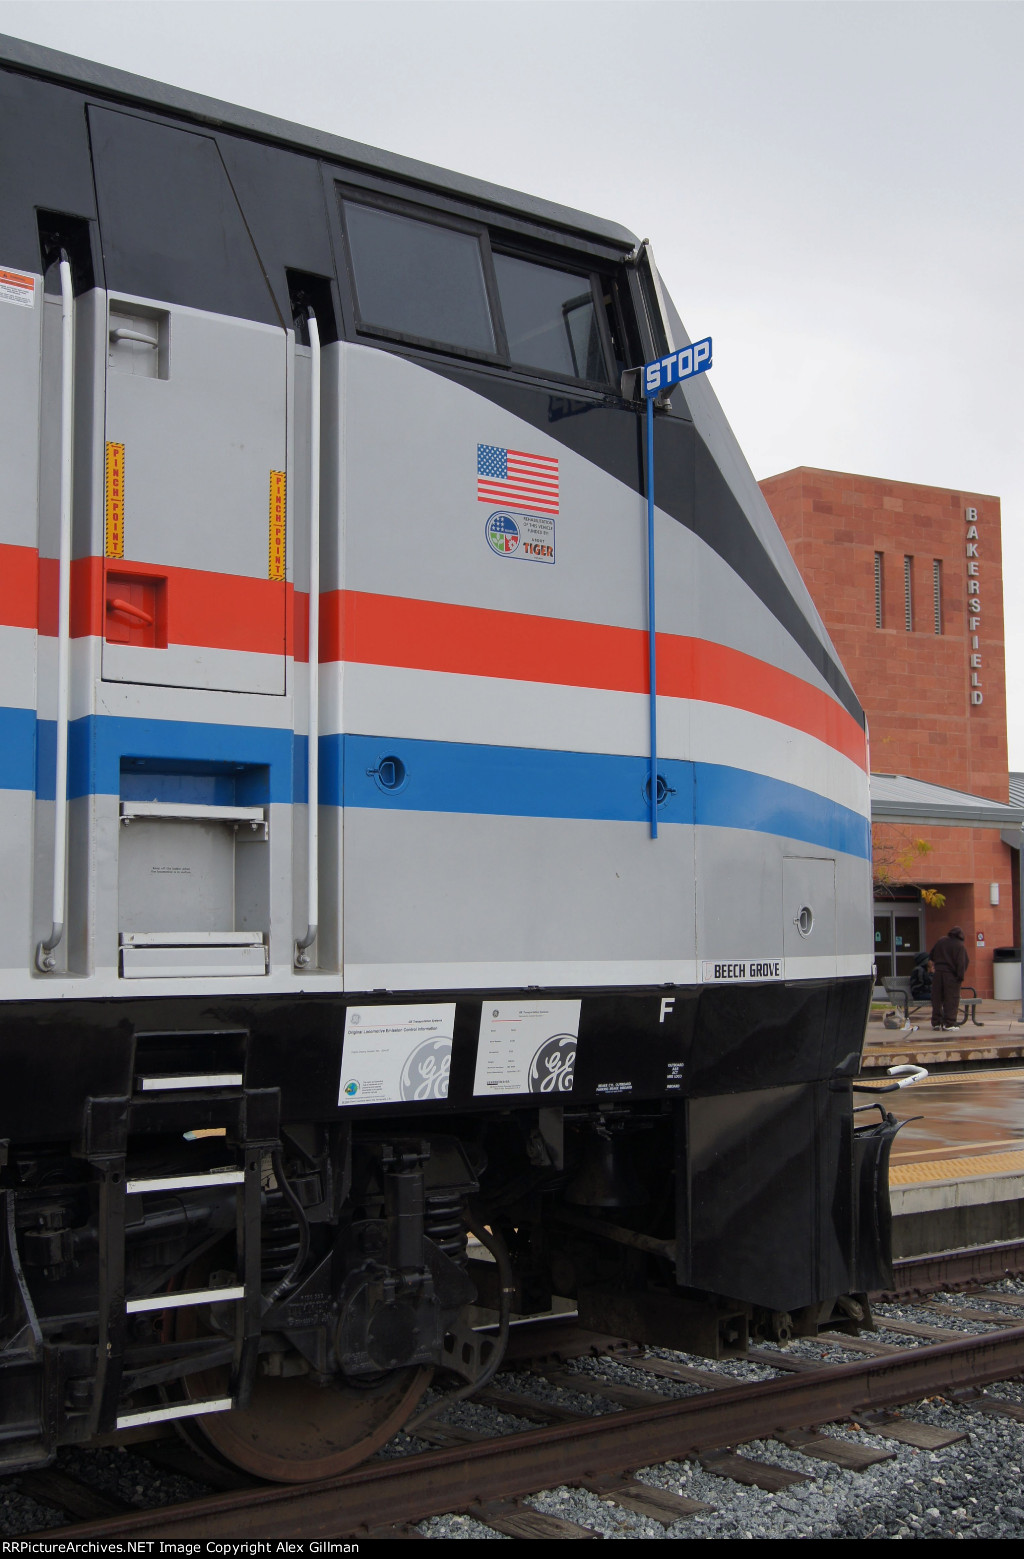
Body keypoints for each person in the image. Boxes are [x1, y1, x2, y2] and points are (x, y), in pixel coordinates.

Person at [929, 926, 969, 1031]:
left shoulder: (941, 941)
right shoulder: (959, 946)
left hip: (938, 975)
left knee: (937, 999)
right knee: (951, 999)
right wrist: (960, 977)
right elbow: (961, 963)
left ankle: (936, 1022)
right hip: (951, 976)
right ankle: (949, 1023)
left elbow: (931, 955)